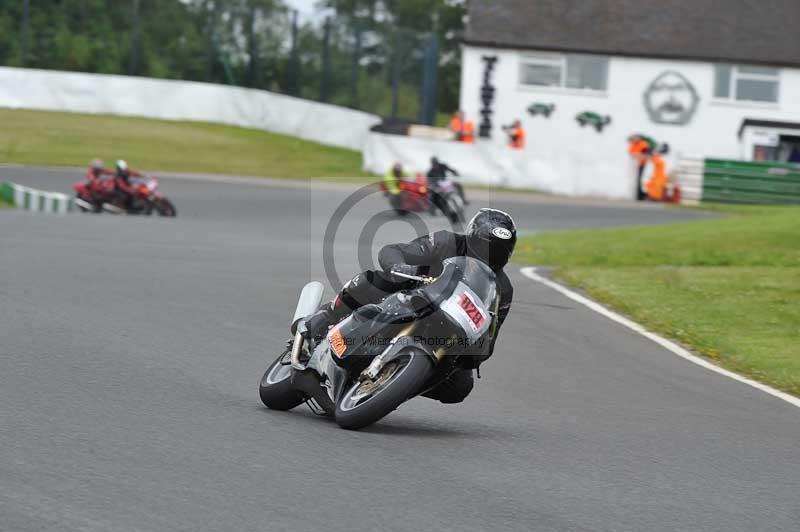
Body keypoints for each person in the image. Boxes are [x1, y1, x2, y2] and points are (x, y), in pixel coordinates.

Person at [300, 208, 517, 404]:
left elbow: (490, 336)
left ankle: (393, 385)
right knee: (377, 280)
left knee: (461, 385)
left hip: (448, 327)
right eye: (484, 245)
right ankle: (327, 315)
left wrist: (477, 348)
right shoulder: (446, 242)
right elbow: (395, 251)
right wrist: (401, 267)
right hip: (410, 297)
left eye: (498, 252)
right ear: (471, 237)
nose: (489, 255)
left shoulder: (502, 289)